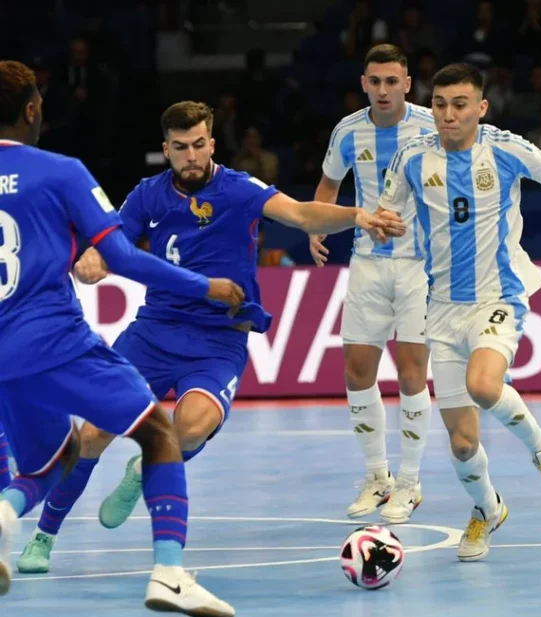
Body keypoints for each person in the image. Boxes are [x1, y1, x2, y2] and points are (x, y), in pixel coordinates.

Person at [16, 100, 404, 574]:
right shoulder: (146, 195)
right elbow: (109, 247)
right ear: (167, 150)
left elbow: (302, 214)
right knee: (93, 433)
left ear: (212, 144)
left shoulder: (239, 190)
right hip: (153, 334)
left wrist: (357, 216)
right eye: (180, 148)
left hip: (218, 339)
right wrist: (92, 263)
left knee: (192, 426)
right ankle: (43, 537)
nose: (191, 155)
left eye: (199, 144)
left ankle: (144, 470)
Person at [0, 59, 243, 615]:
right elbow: (125, 258)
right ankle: (169, 575)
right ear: (33, 109)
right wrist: (204, 286)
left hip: (2, 357)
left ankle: (5, 518)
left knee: (47, 463)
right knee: (160, 434)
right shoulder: (59, 170)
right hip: (56, 344)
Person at [377, 62, 541, 561]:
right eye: (439, 104)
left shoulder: (505, 148)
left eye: (460, 105)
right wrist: (381, 226)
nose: (448, 115)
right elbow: (387, 214)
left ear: (481, 107)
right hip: (440, 308)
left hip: (498, 296)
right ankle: (487, 510)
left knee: (484, 385)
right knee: (460, 444)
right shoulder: (411, 157)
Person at [308, 44, 436, 524]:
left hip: (419, 267)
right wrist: (317, 227)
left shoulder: (430, 127)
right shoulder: (348, 130)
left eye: (392, 81)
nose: (383, 90)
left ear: (406, 83)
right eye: (374, 81)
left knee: (411, 374)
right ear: (364, 83)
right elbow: (327, 186)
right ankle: (377, 476)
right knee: (358, 370)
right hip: (367, 262)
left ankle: (410, 482)